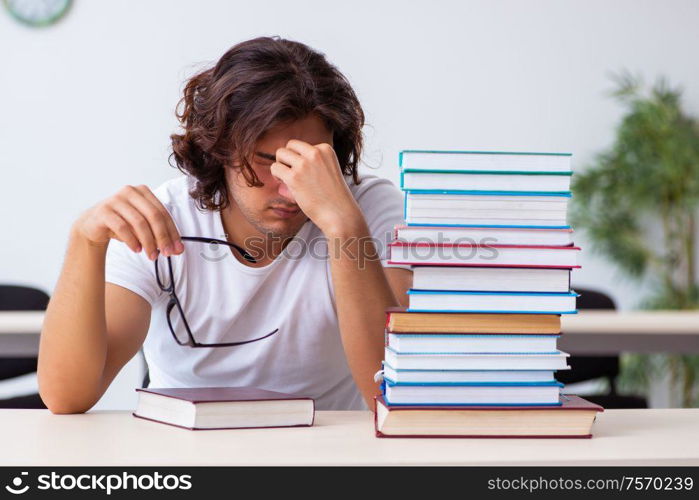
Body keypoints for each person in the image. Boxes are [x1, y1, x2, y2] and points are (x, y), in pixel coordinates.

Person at [37, 36, 412, 413]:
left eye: (309, 163)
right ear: (220, 151)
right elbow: (67, 397)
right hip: (185, 452)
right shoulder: (164, 216)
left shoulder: (367, 208)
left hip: (324, 453)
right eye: (267, 161)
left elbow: (392, 395)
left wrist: (343, 227)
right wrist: (85, 240)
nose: (290, 189)